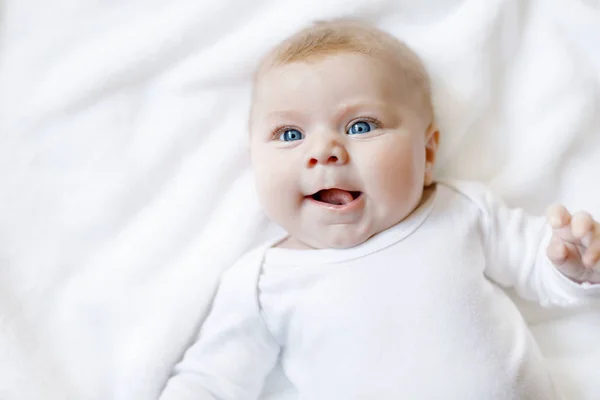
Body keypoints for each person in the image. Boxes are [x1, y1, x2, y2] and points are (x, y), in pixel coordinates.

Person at [160, 19, 600, 399]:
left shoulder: (459, 211)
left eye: (360, 125)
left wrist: (574, 266)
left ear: (426, 155)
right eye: (290, 134)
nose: (324, 151)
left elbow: (534, 265)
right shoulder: (262, 282)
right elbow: (213, 382)